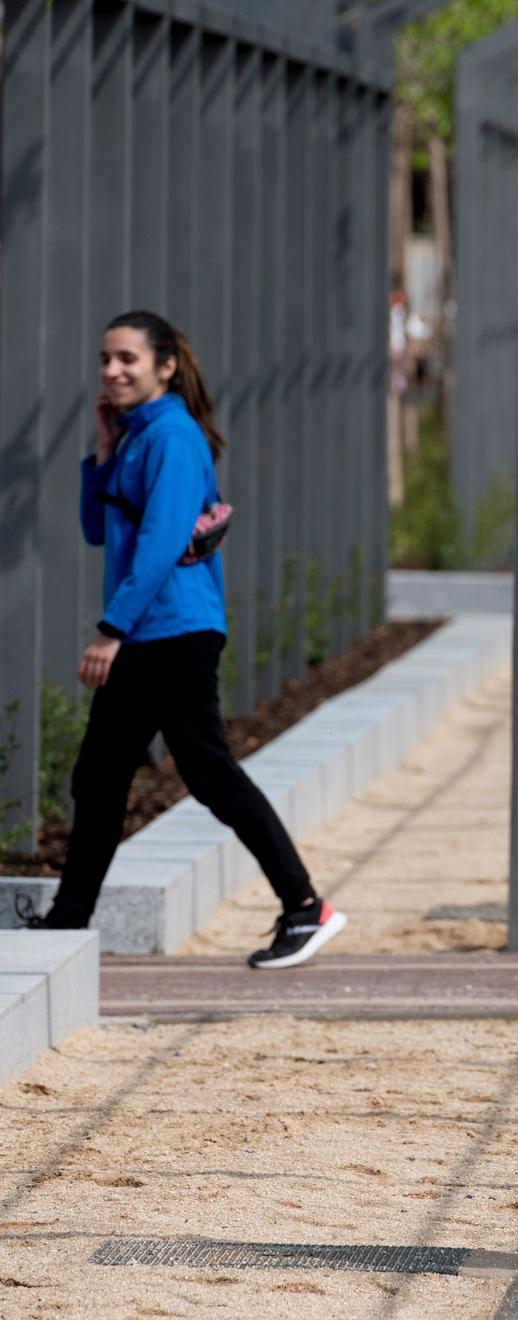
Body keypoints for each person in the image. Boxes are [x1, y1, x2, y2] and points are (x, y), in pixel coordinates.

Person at [15, 313, 345, 968]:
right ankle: (68, 920)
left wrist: (111, 630)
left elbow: (165, 541)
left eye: (127, 359)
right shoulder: (137, 436)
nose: (112, 371)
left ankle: (306, 907)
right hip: (152, 631)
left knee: (207, 773)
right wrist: (103, 450)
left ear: (165, 366)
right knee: (101, 776)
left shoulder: (171, 435)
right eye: (106, 359)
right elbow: (96, 529)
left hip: (172, 631)